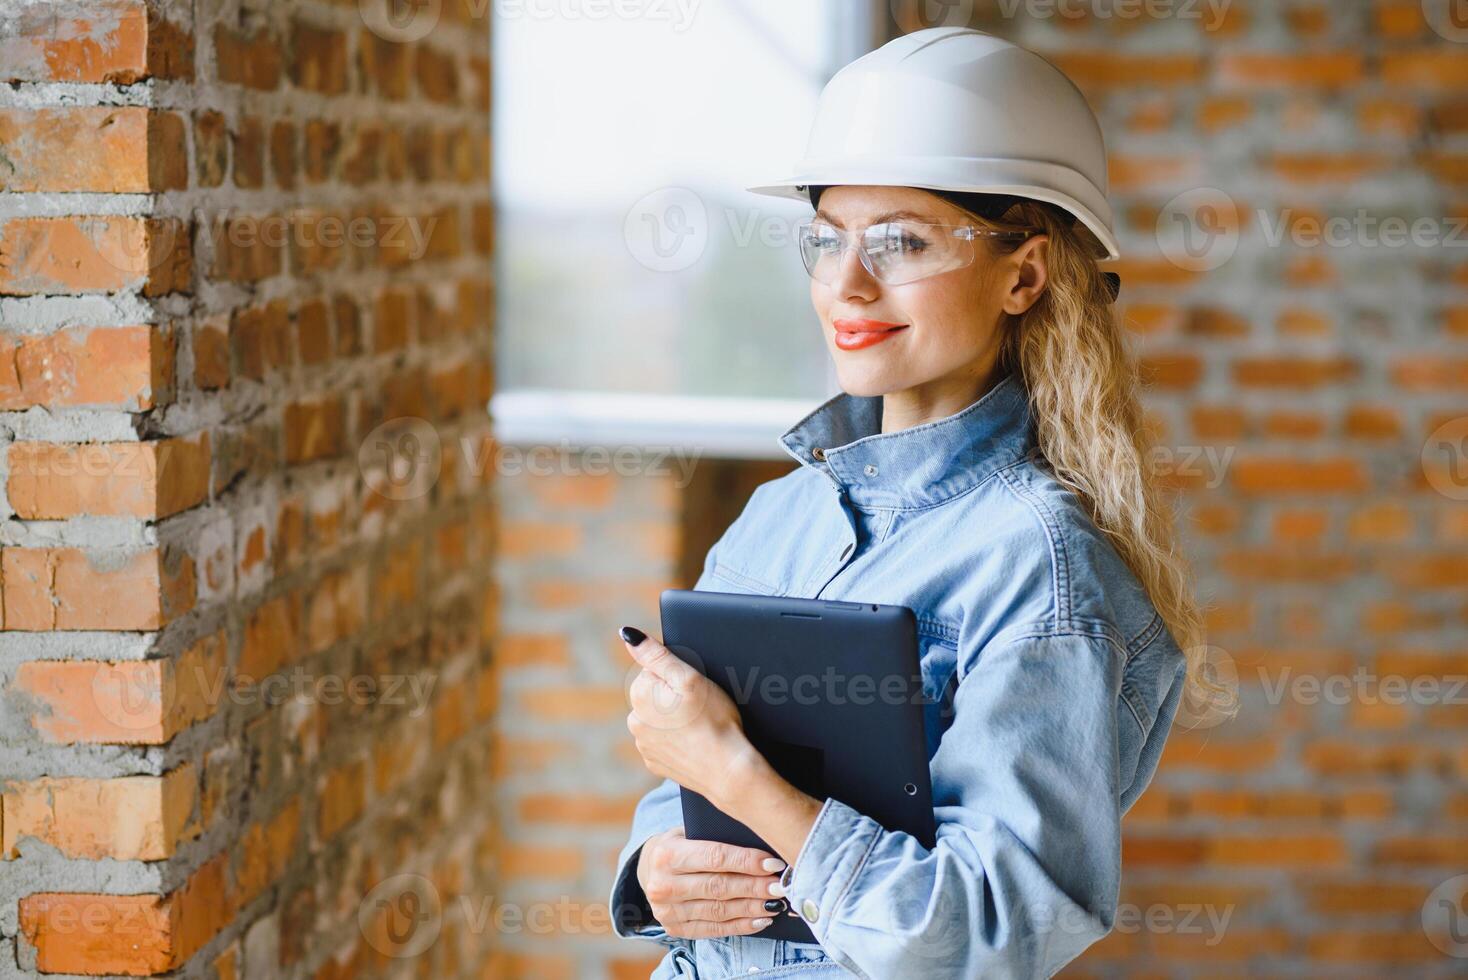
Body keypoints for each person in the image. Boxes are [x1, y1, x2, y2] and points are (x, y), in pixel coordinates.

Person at [608, 26, 1213, 979]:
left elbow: (989, 931)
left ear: (1025, 273)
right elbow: (683, 803)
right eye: (829, 238)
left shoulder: (1045, 565)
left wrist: (734, 773)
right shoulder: (779, 519)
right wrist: (657, 871)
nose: (847, 283)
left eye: (901, 241)